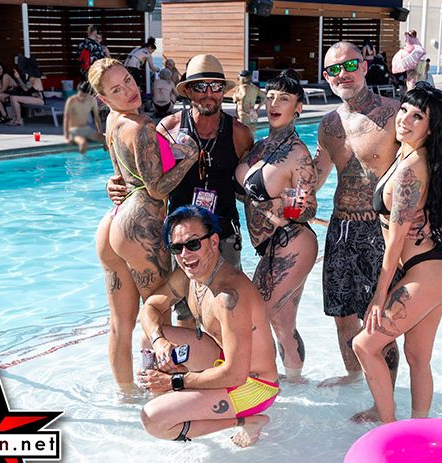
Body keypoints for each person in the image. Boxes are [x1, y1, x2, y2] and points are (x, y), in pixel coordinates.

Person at [106, 54, 254, 327]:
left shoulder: (240, 133)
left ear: (223, 90)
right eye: (200, 86)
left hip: (223, 234)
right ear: (187, 91)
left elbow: (248, 188)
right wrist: (115, 184)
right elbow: (145, 178)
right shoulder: (168, 129)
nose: (208, 93)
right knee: (185, 312)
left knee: (228, 309)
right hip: (181, 239)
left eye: (216, 86)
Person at [88, 58, 199, 394]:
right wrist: (189, 158)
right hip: (141, 226)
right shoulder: (143, 126)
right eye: (116, 89)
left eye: (127, 80)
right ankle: (158, 394)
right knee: (156, 318)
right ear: (104, 98)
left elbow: (122, 175)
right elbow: (157, 189)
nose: (128, 91)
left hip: (113, 223)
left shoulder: (112, 121)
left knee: (120, 324)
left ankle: (125, 394)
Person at [352, 82, 442, 424]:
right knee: (417, 357)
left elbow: (396, 241)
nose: (405, 120)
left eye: (417, 117)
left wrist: (379, 296)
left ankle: (388, 427)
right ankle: (419, 428)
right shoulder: (411, 155)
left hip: (426, 270)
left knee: (364, 344)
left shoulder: (411, 167)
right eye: (404, 110)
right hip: (434, 268)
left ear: (431, 127)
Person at [315, 41, 413, 388]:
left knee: (380, 320)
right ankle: (354, 376)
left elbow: (428, 164)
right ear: (327, 77)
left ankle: (383, 396)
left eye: (350, 65)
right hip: (340, 228)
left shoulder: (396, 114)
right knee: (341, 314)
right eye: (334, 69)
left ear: (365, 66)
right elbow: (317, 175)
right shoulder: (329, 124)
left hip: (380, 230)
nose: (343, 74)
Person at [138, 205, 278, 447]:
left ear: (213, 242)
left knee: (153, 419)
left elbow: (235, 374)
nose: (185, 254)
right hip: (224, 360)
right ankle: (170, 399)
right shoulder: (189, 277)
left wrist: (175, 381)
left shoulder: (230, 297)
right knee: (148, 338)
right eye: (177, 248)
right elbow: (150, 307)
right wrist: (159, 342)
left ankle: (247, 421)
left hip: (254, 385)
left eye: (193, 244)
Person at [235, 70, 318, 383]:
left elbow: (309, 207)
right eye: (270, 97)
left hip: (292, 240)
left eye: (284, 98)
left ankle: (257, 384)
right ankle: (296, 382)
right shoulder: (259, 147)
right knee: (282, 324)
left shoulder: (297, 154)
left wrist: (287, 209)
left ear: (298, 108)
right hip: (268, 245)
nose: (274, 103)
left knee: (254, 314)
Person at [63, 81, 104, 154]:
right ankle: (82, 161)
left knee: (106, 140)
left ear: (88, 94)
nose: (82, 97)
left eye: (84, 96)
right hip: (74, 131)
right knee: (83, 143)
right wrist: (67, 137)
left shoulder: (92, 100)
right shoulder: (72, 100)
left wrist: (100, 133)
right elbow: (66, 118)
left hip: (86, 130)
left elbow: (97, 118)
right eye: (80, 95)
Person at [6, 55, 45, 126]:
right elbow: (25, 89)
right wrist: (18, 78)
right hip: (31, 97)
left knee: (14, 98)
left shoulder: (36, 79)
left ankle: (19, 120)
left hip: (39, 100)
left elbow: (27, 91)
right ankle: (15, 118)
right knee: (12, 97)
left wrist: (18, 78)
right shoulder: (30, 77)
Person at [233, 69, 265, 134]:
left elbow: (244, 94)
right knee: (252, 134)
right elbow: (265, 97)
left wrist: (236, 97)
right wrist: (258, 108)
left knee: (242, 134)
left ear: (242, 78)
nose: (238, 80)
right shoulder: (255, 88)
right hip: (253, 112)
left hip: (244, 112)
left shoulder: (242, 87)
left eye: (238, 78)